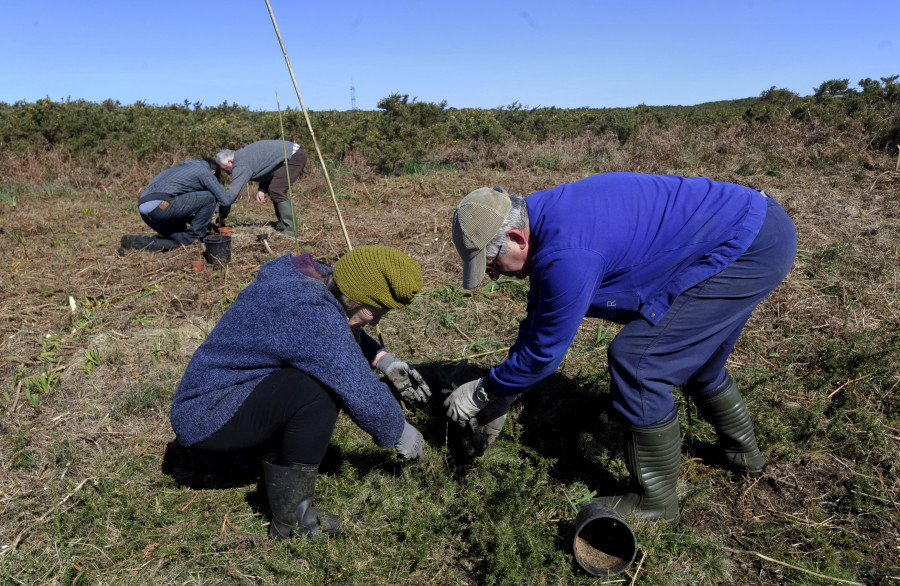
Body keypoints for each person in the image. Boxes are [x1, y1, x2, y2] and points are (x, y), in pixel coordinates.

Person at [444, 172, 797, 523]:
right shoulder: (544, 216)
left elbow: (545, 352)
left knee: (639, 361)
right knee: (695, 360)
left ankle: (655, 503)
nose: (492, 276)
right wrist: (505, 393)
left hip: (749, 247)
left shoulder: (567, 253)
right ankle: (742, 455)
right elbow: (539, 318)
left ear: (517, 238)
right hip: (754, 226)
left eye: (491, 265)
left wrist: (484, 390)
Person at [170, 245, 431, 539]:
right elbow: (358, 387)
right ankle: (293, 521)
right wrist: (401, 431)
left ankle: (250, 458)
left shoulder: (312, 281)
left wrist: (382, 359)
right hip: (209, 417)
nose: (376, 322)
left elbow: (337, 328)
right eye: (376, 311)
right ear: (355, 296)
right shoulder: (307, 312)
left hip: (216, 398)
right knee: (317, 390)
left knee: (311, 377)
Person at [120, 157, 230, 252]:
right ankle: (195, 237)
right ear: (213, 172)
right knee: (210, 197)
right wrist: (222, 217)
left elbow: (184, 204)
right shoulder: (204, 171)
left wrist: (204, 222)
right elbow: (225, 200)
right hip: (162, 206)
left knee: (182, 242)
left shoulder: (178, 170)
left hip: (146, 212)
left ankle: (137, 242)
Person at [216, 139, 308, 236]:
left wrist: (217, 212)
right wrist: (262, 189)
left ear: (230, 161)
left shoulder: (240, 164)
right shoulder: (243, 156)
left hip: (294, 156)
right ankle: (283, 224)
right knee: (275, 189)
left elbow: (231, 194)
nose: (227, 173)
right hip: (292, 154)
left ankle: (290, 229)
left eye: (225, 169)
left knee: (277, 190)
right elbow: (268, 167)